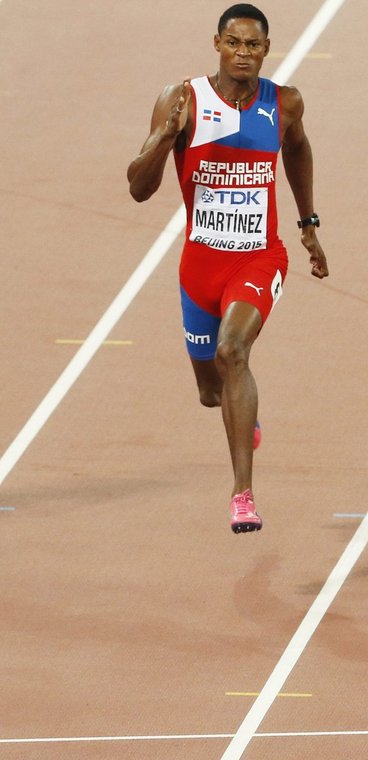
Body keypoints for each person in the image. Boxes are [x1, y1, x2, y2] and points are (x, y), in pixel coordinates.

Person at [127, 4, 328, 533]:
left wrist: (308, 223)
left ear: (267, 49)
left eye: (254, 45)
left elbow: (299, 150)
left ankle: (243, 494)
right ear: (216, 43)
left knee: (232, 351)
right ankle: (242, 416)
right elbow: (138, 188)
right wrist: (165, 141)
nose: (243, 53)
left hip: (260, 258)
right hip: (199, 266)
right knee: (211, 390)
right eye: (234, 43)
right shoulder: (182, 100)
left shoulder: (283, 103)